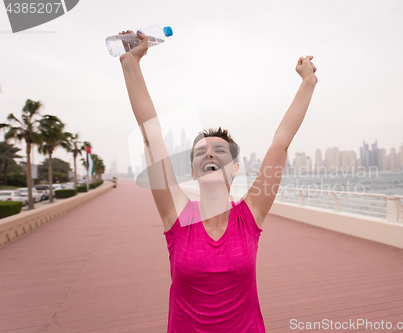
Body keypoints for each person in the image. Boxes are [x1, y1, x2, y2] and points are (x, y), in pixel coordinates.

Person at [119, 30, 317, 333]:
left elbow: (281, 143)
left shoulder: (249, 217)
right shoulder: (177, 217)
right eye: (200, 152)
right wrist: (131, 62)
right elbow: (152, 137)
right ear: (194, 170)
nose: (209, 154)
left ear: (235, 168)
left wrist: (307, 83)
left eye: (220, 151)